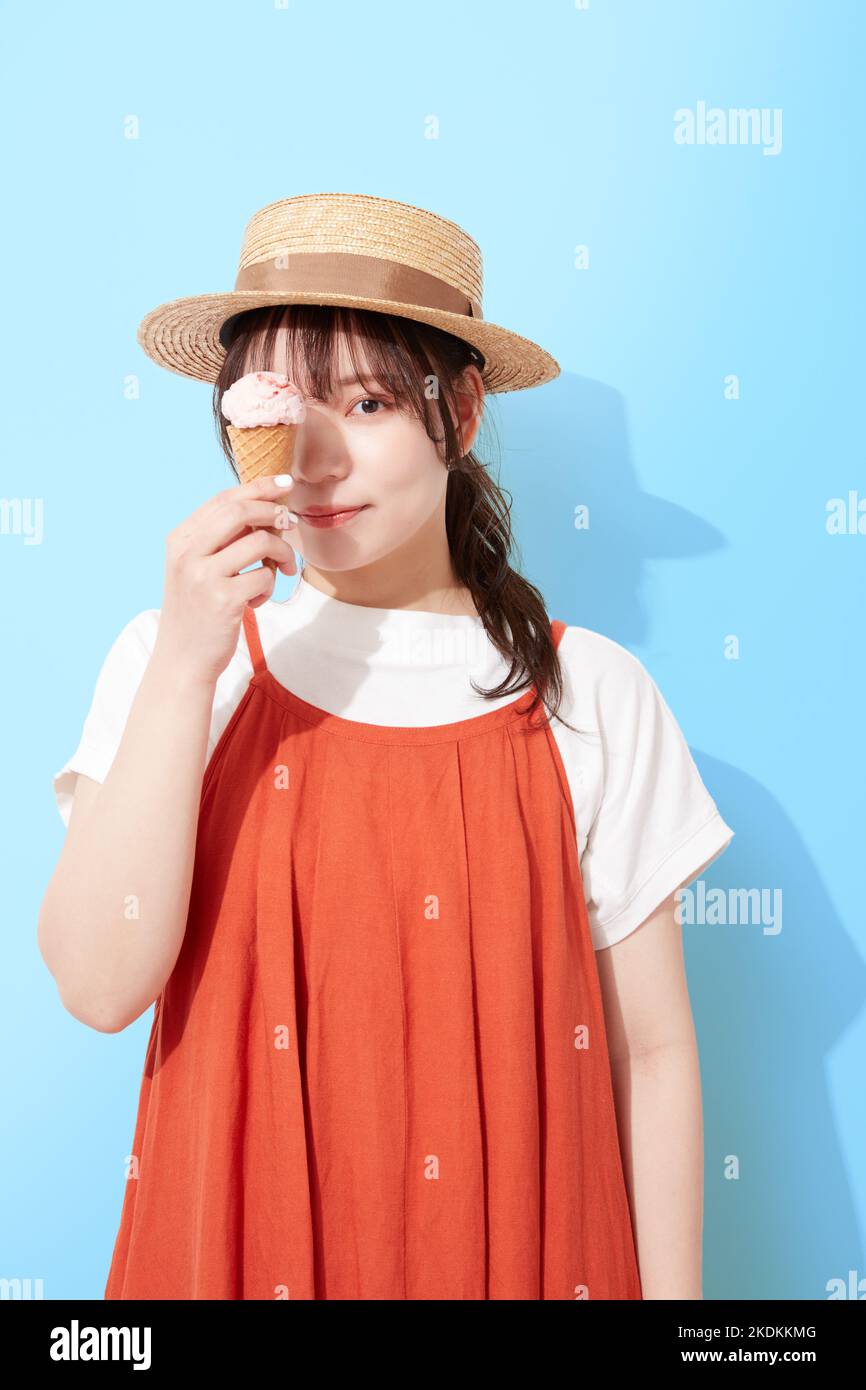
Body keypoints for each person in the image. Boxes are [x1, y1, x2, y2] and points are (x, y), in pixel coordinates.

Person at [38, 193, 734, 1301]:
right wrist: (183, 663)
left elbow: (651, 1054)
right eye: (277, 405)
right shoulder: (174, 657)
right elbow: (98, 984)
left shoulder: (589, 692)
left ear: (457, 412)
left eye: (363, 401)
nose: (314, 458)